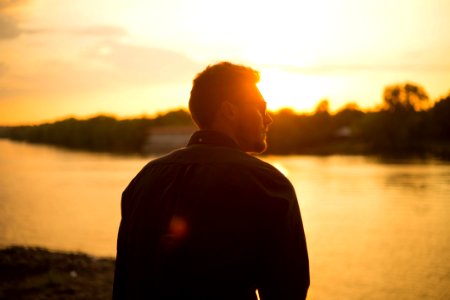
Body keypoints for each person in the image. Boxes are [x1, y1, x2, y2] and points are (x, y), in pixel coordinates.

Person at [113, 62, 310, 300]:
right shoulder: (267, 184)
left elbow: (125, 280)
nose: (268, 119)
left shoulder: (144, 179)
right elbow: (288, 291)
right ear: (229, 110)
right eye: (261, 107)